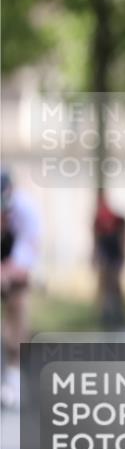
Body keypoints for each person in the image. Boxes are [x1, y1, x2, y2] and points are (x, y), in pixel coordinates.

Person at [1, 169, 42, 409]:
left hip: (14, 259)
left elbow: (25, 261)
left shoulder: (26, 211)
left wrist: (7, 273)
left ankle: (14, 372)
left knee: (17, 304)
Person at [93, 190, 125, 328]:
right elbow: (96, 240)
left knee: (115, 283)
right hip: (105, 253)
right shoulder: (97, 221)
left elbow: (123, 238)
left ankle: (119, 312)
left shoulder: (118, 220)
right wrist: (96, 256)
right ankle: (105, 313)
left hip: (115, 253)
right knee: (104, 284)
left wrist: (122, 255)